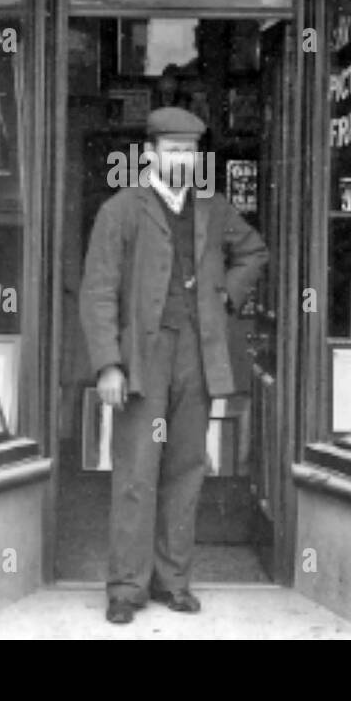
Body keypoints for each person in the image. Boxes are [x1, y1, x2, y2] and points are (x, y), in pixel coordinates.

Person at [80, 106, 269, 625]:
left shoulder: (214, 207)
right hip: (143, 357)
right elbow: (97, 292)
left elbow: (253, 252)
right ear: (151, 154)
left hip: (198, 353)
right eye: (171, 151)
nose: (181, 160)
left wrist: (224, 297)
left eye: (188, 151)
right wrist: (108, 366)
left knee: (186, 468)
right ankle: (125, 587)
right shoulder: (121, 209)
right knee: (137, 470)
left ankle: (173, 581)